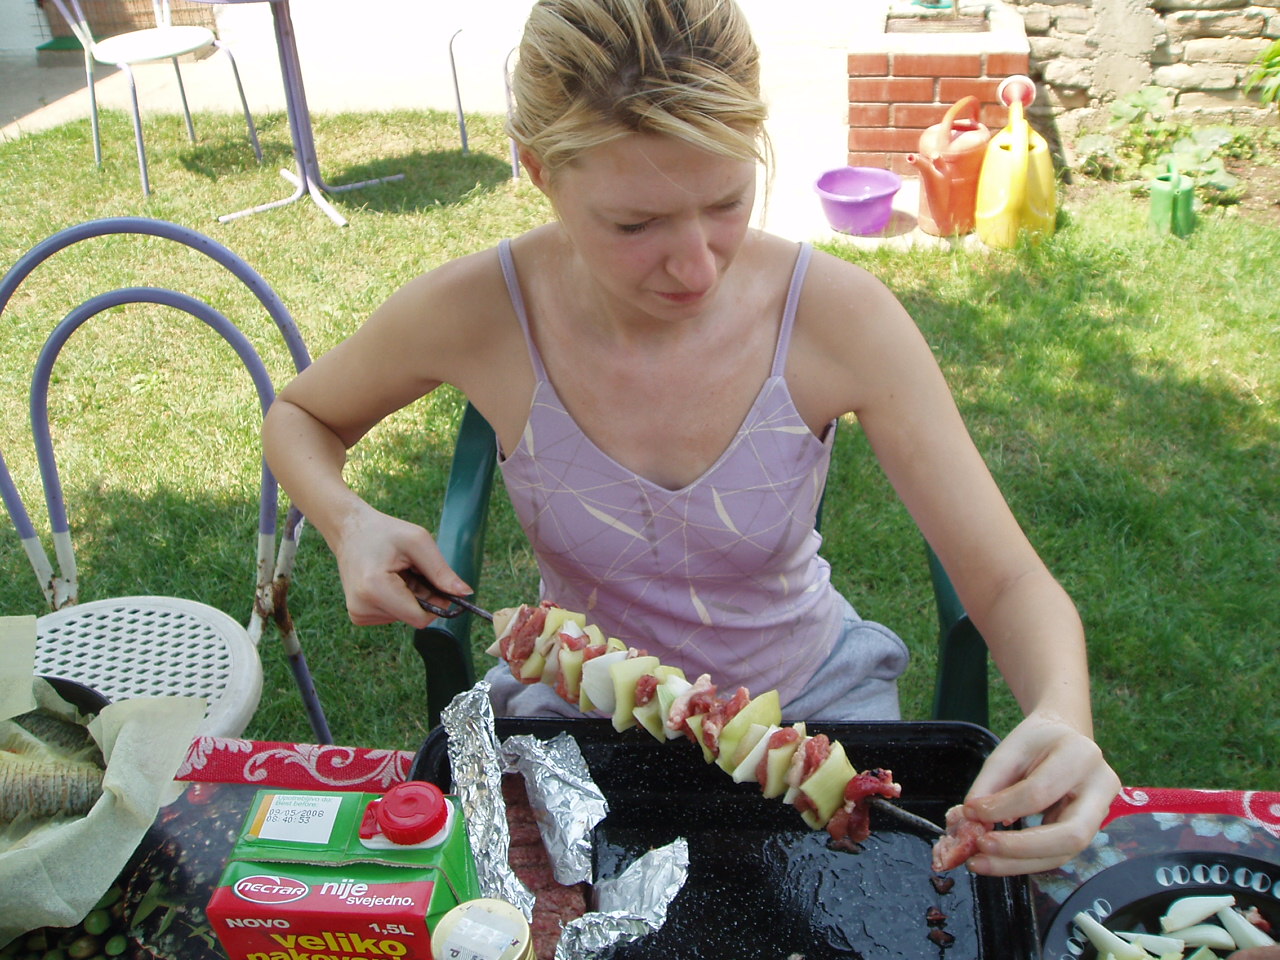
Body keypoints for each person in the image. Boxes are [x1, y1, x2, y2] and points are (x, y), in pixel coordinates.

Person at [262, 0, 1119, 876]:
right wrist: (349, 522)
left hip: (811, 706)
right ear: (540, 171)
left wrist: (1065, 717)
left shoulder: (838, 319)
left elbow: (1007, 580)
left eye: (726, 202)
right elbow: (300, 417)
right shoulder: (480, 313)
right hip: (577, 723)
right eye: (635, 225)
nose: (698, 266)